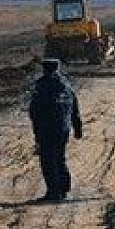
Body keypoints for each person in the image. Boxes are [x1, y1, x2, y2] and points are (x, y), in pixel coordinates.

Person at [29, 58, 83, 201]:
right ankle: (63, 190)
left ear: (45, 69)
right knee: (60, 158)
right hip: (63, 128)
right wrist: (77, 127)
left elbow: (35, 110)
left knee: (48, 160)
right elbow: (74, 107)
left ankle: (53, 192)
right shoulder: (66, 85)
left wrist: (36, 130)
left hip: (47, 129)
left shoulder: (42, 85)